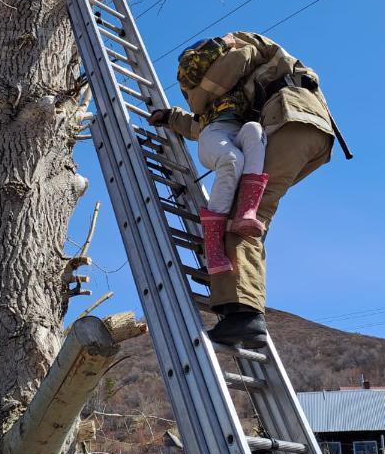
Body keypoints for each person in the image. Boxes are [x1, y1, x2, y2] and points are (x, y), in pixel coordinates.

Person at [151, 32, 350, 349]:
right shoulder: (246, 89)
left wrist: (219, 53)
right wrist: (174, 116)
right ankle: (238, 295)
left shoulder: (244, 51)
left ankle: (243, 316)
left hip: (289, 120)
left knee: (245, 216)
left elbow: (209, 101)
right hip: (310, 132)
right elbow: (205, 123)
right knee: (255, 211)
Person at [149, 37, 270, 275]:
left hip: (239, 129)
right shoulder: (204, 99)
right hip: (213, 134)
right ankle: (213, 244)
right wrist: (168, 116)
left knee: (255, 131)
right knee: (231, 160)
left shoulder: (242, 90)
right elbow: (189, 72)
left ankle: (247, 211)